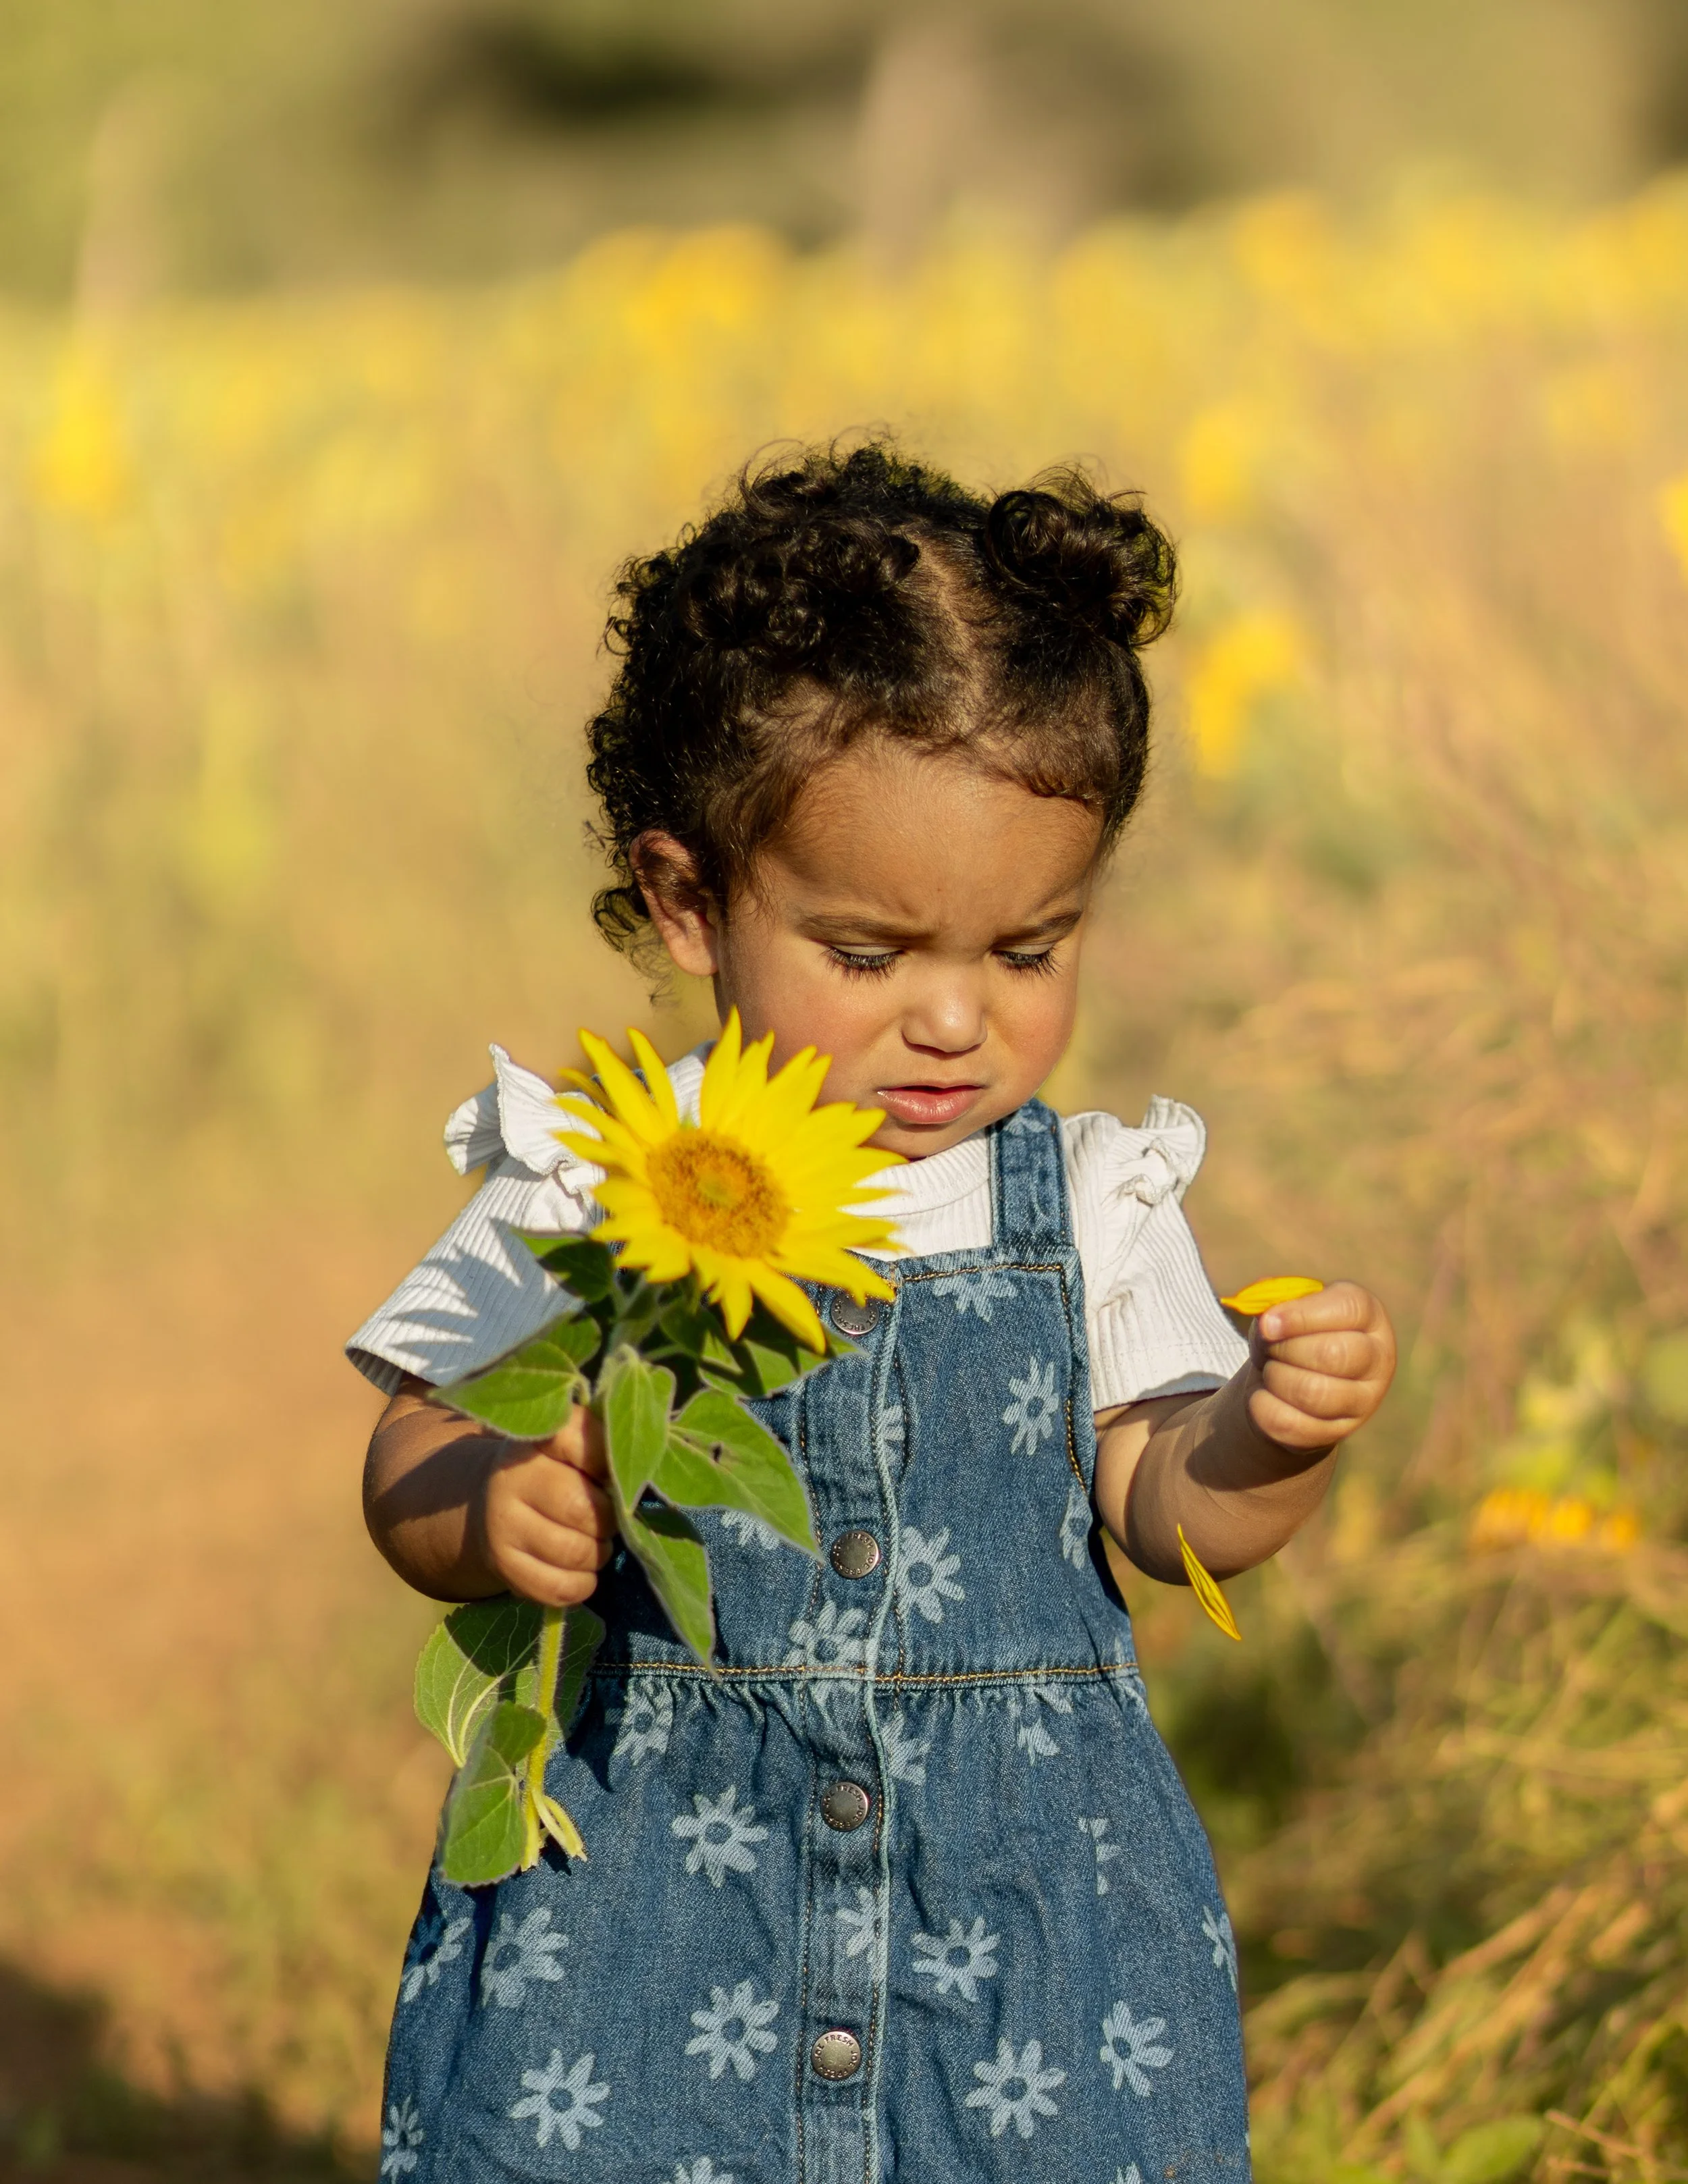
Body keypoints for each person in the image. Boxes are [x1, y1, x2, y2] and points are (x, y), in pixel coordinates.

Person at [347, 442, 1396, 2183]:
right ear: (690, 901)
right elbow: (412, 1436)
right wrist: (485, 1505)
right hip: (651, 1900)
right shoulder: (596, 1164)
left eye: (1030, 951)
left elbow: (1165, 1501)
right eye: (868, 955)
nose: (955, 1021)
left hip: (1030, 1936)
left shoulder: (1101, 1200)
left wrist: (1268, 1436)